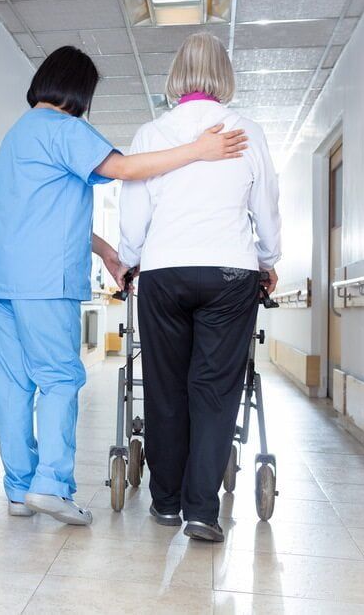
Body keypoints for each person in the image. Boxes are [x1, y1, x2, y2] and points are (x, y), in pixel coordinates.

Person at [0, 45, 248, 525]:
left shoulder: (15, 137)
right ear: (80, 90)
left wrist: (105, 252)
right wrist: (198, 150)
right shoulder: (64, 129)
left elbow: (36, 215)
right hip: (43, 281)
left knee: (13, 384)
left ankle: (19, 489)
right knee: (60, 377)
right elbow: (123, 169)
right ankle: (51, 487)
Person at [118, 32, 282, 541]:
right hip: (231, 272)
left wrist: (127, 262)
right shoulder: (248, 130)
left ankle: (165, 503)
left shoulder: (151, 133)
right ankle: (201, 511)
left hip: (164, 272)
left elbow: (133, 213)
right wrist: (268, 260)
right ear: (224, 76)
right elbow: (267, 208)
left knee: (166, 387)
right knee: (214, 390)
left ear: (175, 76)